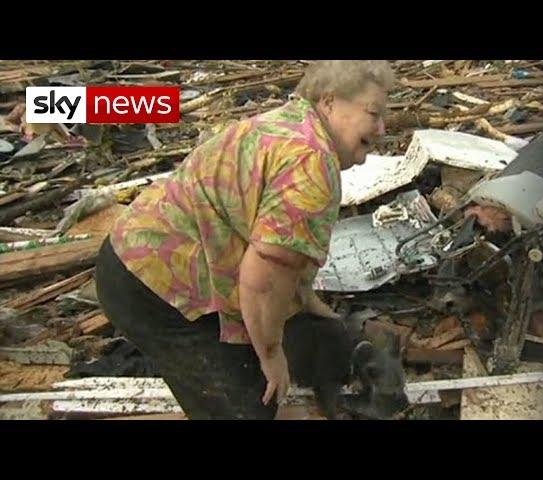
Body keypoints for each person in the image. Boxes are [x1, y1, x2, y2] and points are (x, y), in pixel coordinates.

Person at [94, 60, 395, 419]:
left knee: (305, 329)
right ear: (329, 102)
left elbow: (283, 264)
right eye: (373, 113)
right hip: (151, 285)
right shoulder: (310, 164)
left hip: (143, 252)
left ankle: (329, 383)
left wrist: (312, 309)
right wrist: (271, 357)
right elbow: (264, 281)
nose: (381, 129)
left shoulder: (293, 121)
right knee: (248, 405)